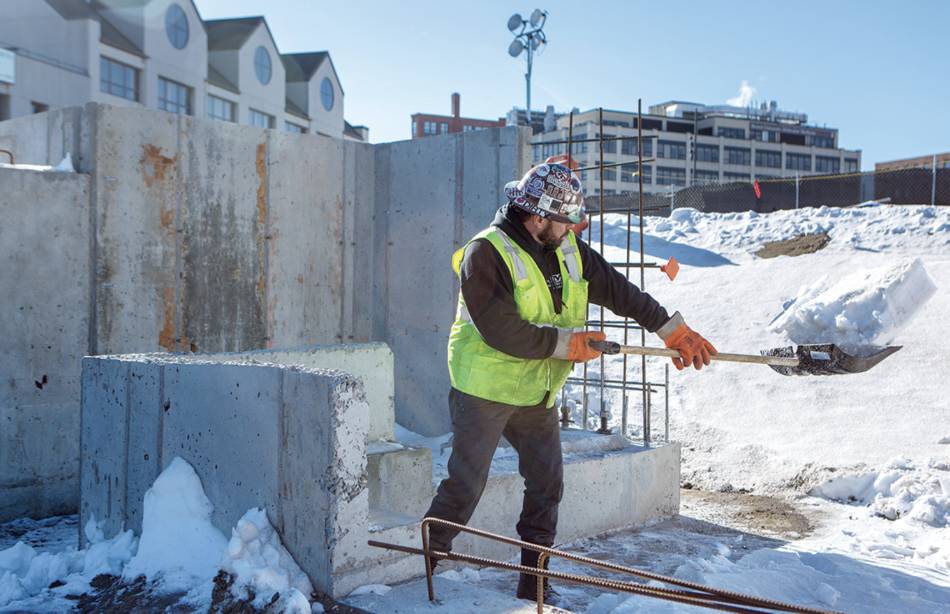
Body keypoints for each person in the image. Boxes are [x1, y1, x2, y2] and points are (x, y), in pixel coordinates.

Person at [423, 156, 716, 604]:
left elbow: (622, 291)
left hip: (536, 393)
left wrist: (670, 329)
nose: (571, 230)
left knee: (547, 485)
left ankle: (533, 579)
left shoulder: (567, 251)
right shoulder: (487, 253)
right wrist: (569, 345)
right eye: (564, 222)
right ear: (538, 215)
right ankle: (425, 559)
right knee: (466, 485)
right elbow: (500, 330)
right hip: (484, 390)